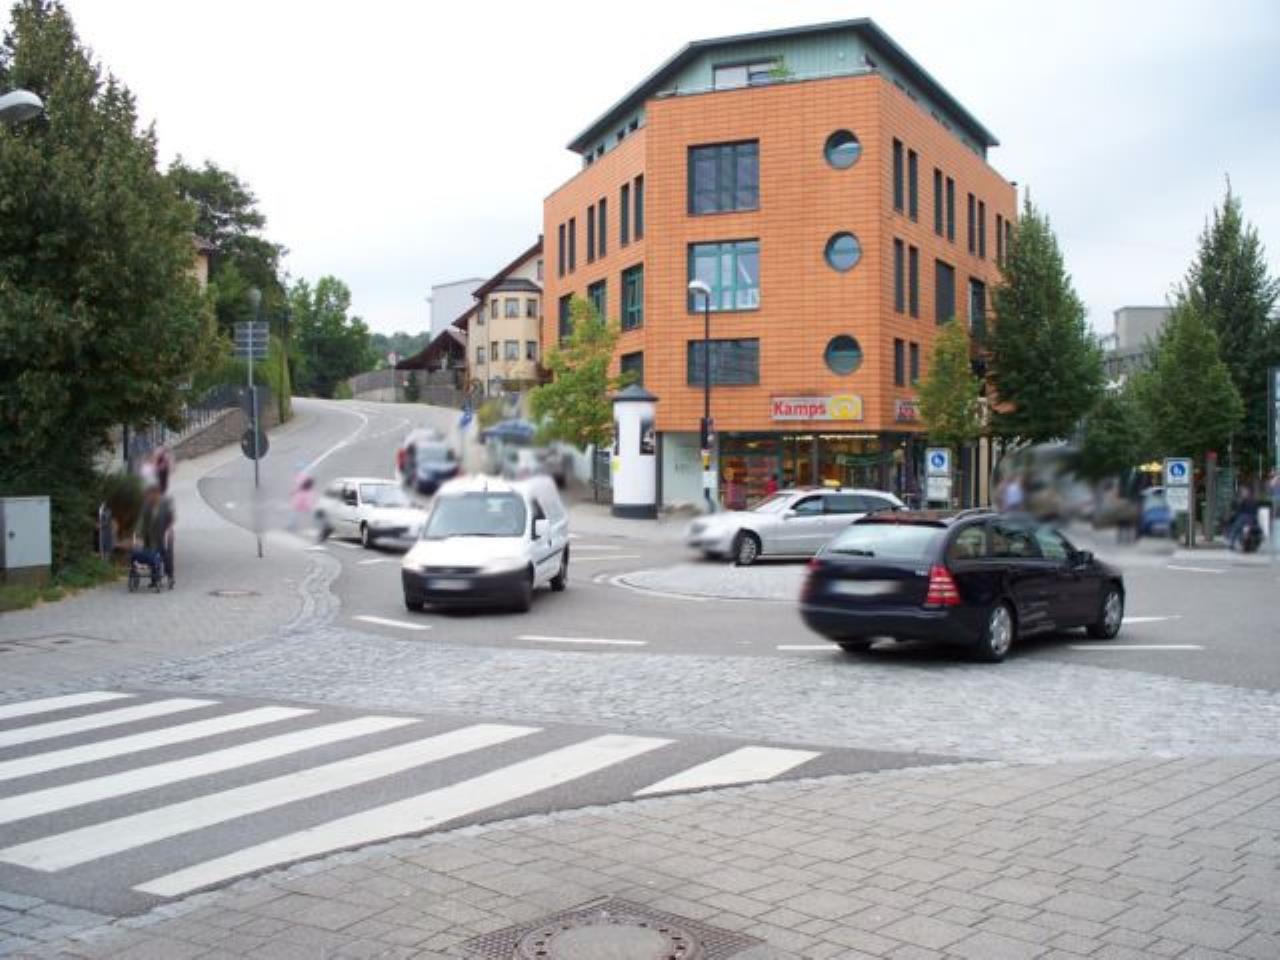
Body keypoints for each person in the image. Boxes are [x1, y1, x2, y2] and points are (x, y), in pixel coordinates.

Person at [133, 484, 175, 588]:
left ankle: (170, 576)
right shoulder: (146, 505)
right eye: (149, 496)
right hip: (148, 536)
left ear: (157, 495)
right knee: (150, 555)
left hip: (161, 535)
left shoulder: (165, 505)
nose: (150, 497)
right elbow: (141, 521)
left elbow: (171, 518)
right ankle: (154, 579)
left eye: (152, 495)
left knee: (166, 555)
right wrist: (138, 536)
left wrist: (170, 529)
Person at [1226, 484, 1259, 550]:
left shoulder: (1245, 501)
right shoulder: (1251, 500)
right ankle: (1233, 542)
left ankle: (1231, 542)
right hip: (1251, 518)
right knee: (1236, 526)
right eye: (1243, 492)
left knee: (1235, 527)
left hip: (1245, 518)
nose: (1243, 493)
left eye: (1244, 491)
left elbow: (1239, 510)